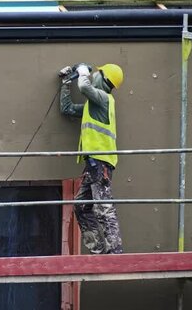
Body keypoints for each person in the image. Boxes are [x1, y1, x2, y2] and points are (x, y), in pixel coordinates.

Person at [59, 63, 124, 255]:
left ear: (104, 80)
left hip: (100, 162)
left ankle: (115, 253)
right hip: (93, 164)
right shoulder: (93, 105)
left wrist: (82, 72)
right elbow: (67, 108)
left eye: (97, 73)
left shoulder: (104, 99)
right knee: (82, 208)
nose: (93, 75)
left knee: (103, 207)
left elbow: (85, 87)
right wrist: (65, 83)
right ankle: (99, 251)